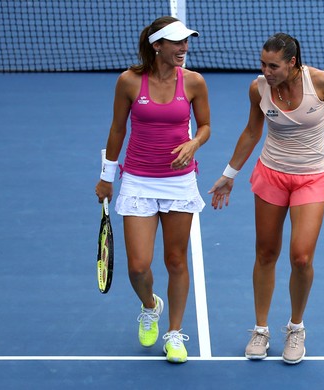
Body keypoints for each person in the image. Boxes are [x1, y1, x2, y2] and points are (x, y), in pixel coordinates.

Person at [208, 33, 324, 364]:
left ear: (292, 62)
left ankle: (296, 327)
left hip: (311, 178)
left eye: (273, 66)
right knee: (265, 252)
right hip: (271, 174)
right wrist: (229, 174)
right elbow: (252, 131)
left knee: (301, 258)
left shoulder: (320, 82)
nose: (266, 71)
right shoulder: (258, 89)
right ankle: (260, 329)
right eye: (262, 64)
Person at [95, 16, 210, 364]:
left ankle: (174, 334)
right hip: (138, 181)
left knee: (176, 261)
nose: (184, 48)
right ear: (157, 45)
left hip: (179, 182)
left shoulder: (193, 82)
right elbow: (117, 129)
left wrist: (194, 143)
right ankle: (150, 306)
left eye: (186, 41)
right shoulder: (129, 82)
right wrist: (106, 176)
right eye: (177, 42)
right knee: (138, 266)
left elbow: (205, 125)